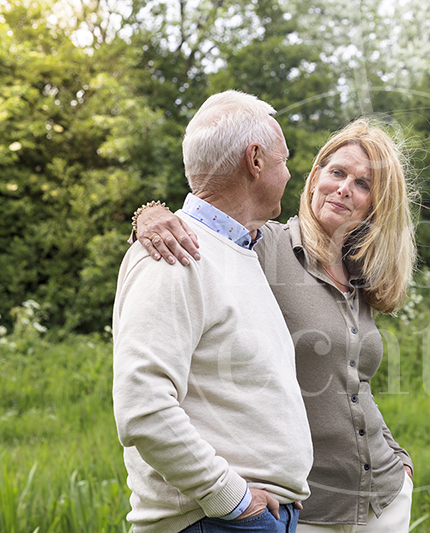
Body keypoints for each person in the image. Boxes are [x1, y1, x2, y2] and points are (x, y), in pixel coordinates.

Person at [131, 117, 418, 532]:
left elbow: (356, 386)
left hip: (384, 497)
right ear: (315, 175)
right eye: (337, 172)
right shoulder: (264, 246)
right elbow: (204, 226)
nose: (344, 188)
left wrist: (400, 460)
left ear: (377, 203)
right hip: (302, 506)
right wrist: (149, 215)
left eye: (363, 184)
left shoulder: (360, 274)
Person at [113, 90, 313, 533]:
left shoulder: (239, 248)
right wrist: (232, 499)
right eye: (284, 159)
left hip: (248, 518)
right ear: (255, 160)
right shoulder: (173, 256)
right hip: (217, 521)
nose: (290, 172)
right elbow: (142, 406)